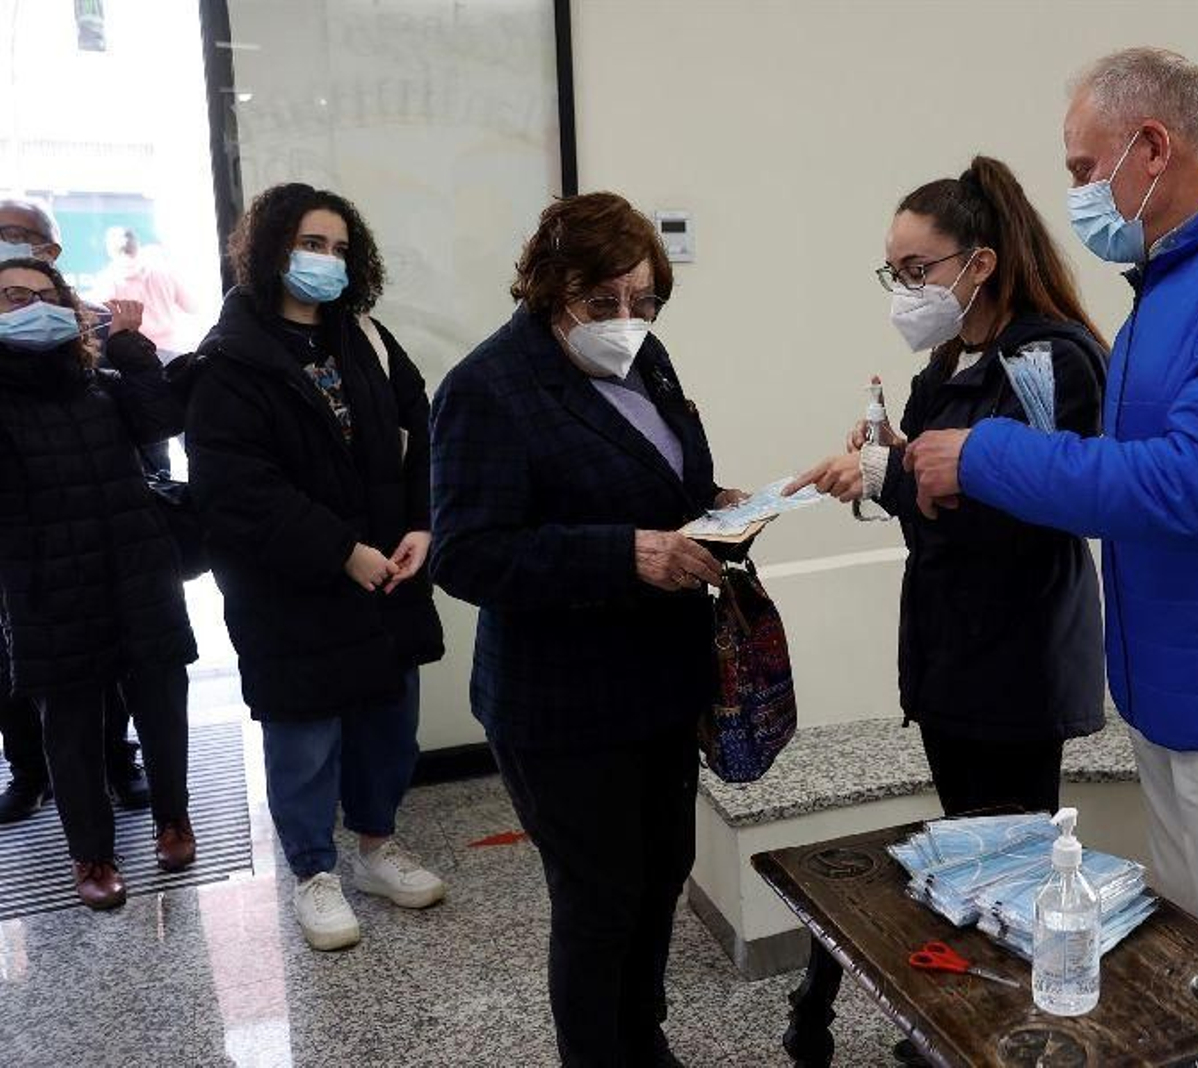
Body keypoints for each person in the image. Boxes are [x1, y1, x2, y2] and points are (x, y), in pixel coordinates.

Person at [903, 47, 1198, 934]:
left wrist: (984, 456)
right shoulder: (1175, 273)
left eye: (1084, 169)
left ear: (1151, 147)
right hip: (1169, 686)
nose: (1077, 194)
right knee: (1195, 961)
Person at [431, 191, 743, 1067]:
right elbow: (468, 555)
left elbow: (665, 475)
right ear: (546, 288)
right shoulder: (488, 389)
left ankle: (644, 1042)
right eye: (599, 302)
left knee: (657, 882)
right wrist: (626, 555)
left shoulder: (646, 359)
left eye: (642, 302)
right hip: (561, 704)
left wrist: (716, 509)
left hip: (659, 680)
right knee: (599, 900)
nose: (624, 320)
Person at [788, 156, 1107, 817]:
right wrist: (888, 460)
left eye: (918, 271)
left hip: (1017, 657)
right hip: (948, 653)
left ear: (980, 264)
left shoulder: (1049, 361)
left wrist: (891, 473)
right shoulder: (947, 364)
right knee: (966, 850)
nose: (905, 290)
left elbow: (1024, 510)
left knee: (1012, 862)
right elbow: (925, 496)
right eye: (895, 273)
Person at [185, 183, 446, 951]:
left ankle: (376, 848)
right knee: (304, 738)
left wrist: (422, 526)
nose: (325, 262)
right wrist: (341, 550)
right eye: (310, 245)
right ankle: (313, 872)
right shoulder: (228, 361)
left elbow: (422, 432)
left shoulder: (365, 337)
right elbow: (237, 489)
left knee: (387, 725)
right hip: (291, 591)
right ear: (269, 251)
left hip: (389, 577)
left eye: (337, 248)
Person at [0, 257, 197, 908]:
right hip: (48, 587)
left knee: (164, 704)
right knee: (71, 728)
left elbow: (161, 420)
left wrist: (132, 346)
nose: (28, 305)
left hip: (137, 568)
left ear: (67, 304)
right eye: (9, 297)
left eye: (41, 293)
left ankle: (174, 817)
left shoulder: (103, 382)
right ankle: (91, 856)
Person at [0, 197, 153, 821]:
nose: (9, 245)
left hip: (94, 519)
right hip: (16, 536)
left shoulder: (83, 320)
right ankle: (29, 772)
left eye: (20, 235)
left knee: (106, 662)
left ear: (52, 250)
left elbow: (142, 422)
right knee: (14, 667)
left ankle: (120, 762)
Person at [91, 226, 199, 352]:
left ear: (110, 250)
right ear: (137, 245)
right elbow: (192, 307)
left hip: (135, 354)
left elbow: (98, 322)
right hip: (171, 352)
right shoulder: (165, 272)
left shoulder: (106, 280)